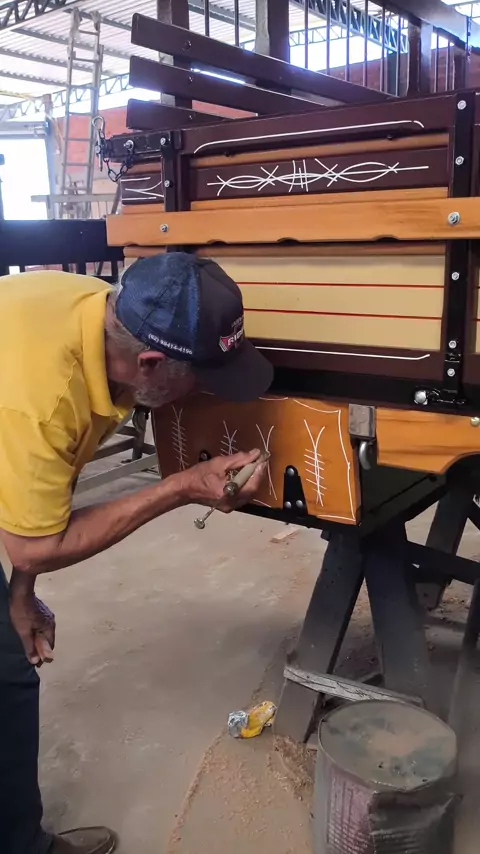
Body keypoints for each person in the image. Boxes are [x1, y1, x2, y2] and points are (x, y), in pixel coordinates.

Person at [0, 252, 273, 854]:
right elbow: (37, 544)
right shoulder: (42, 396)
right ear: (149, 363)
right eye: (201, 378)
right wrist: (179, 488)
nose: (207, 393)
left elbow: (42, 490)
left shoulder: (101, 315)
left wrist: (21, 595)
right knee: (5, 681)